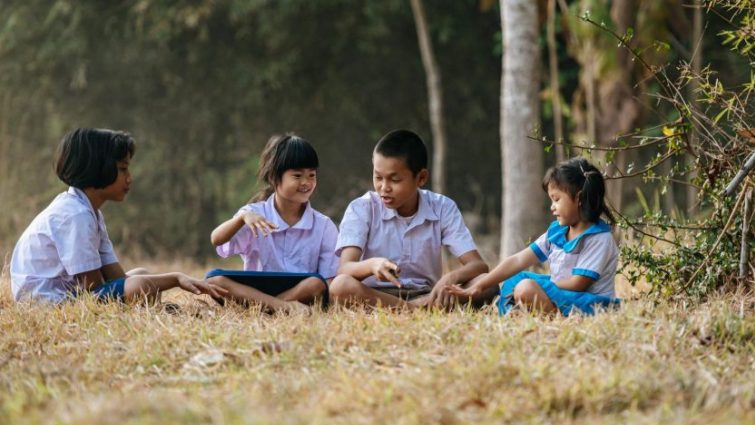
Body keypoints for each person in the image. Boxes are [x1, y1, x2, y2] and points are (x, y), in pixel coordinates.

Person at [10, 128, 227, 304]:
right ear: (98, 169)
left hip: (71, 294)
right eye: (123, 169)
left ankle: (153, 310)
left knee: (141, 275)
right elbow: (92, 288)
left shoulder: (90, 212)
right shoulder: (74, 215)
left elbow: (116, 279)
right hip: (46, 302)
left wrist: (149, 284)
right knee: (139, 285)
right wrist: (176, 278)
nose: (130, 178)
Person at [330, 129, 496, 308]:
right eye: (378, 177)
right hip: (375, 295)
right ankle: (414, 309)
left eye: (394, 180)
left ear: (421, 178)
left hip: (427, 293)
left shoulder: (442, 207)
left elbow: (478, 265)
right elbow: (344, 269)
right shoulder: (361, 208)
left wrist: (450, 278)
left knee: (487, 283)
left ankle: (415, 306)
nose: (383, 187)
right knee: (340, 286)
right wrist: (371, 265)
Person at [448, 158, 620, 316]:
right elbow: (518, 260)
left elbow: (578, 284)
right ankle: (512, 313)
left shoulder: (599, 239)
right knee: (514, 280)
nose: (552, 207)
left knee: (525, 287)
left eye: (556, 199)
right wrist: (480, 286)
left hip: (591, 304)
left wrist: (539, 286)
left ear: (579, 198)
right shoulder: (558, 232)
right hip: (562, 295)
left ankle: (557, 319)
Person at [207, 134, 338, 313]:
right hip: (255, 291)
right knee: (214, 281)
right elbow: (216, 240)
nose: (306, 182)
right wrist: (240, 219)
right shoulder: (252, 214)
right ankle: (282, 307)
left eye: (311, 175)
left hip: (297, 293)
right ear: (275, 178)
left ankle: (265, 308)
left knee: (316, 283)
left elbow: (328, 282)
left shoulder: (324, 226)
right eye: (297, 175)